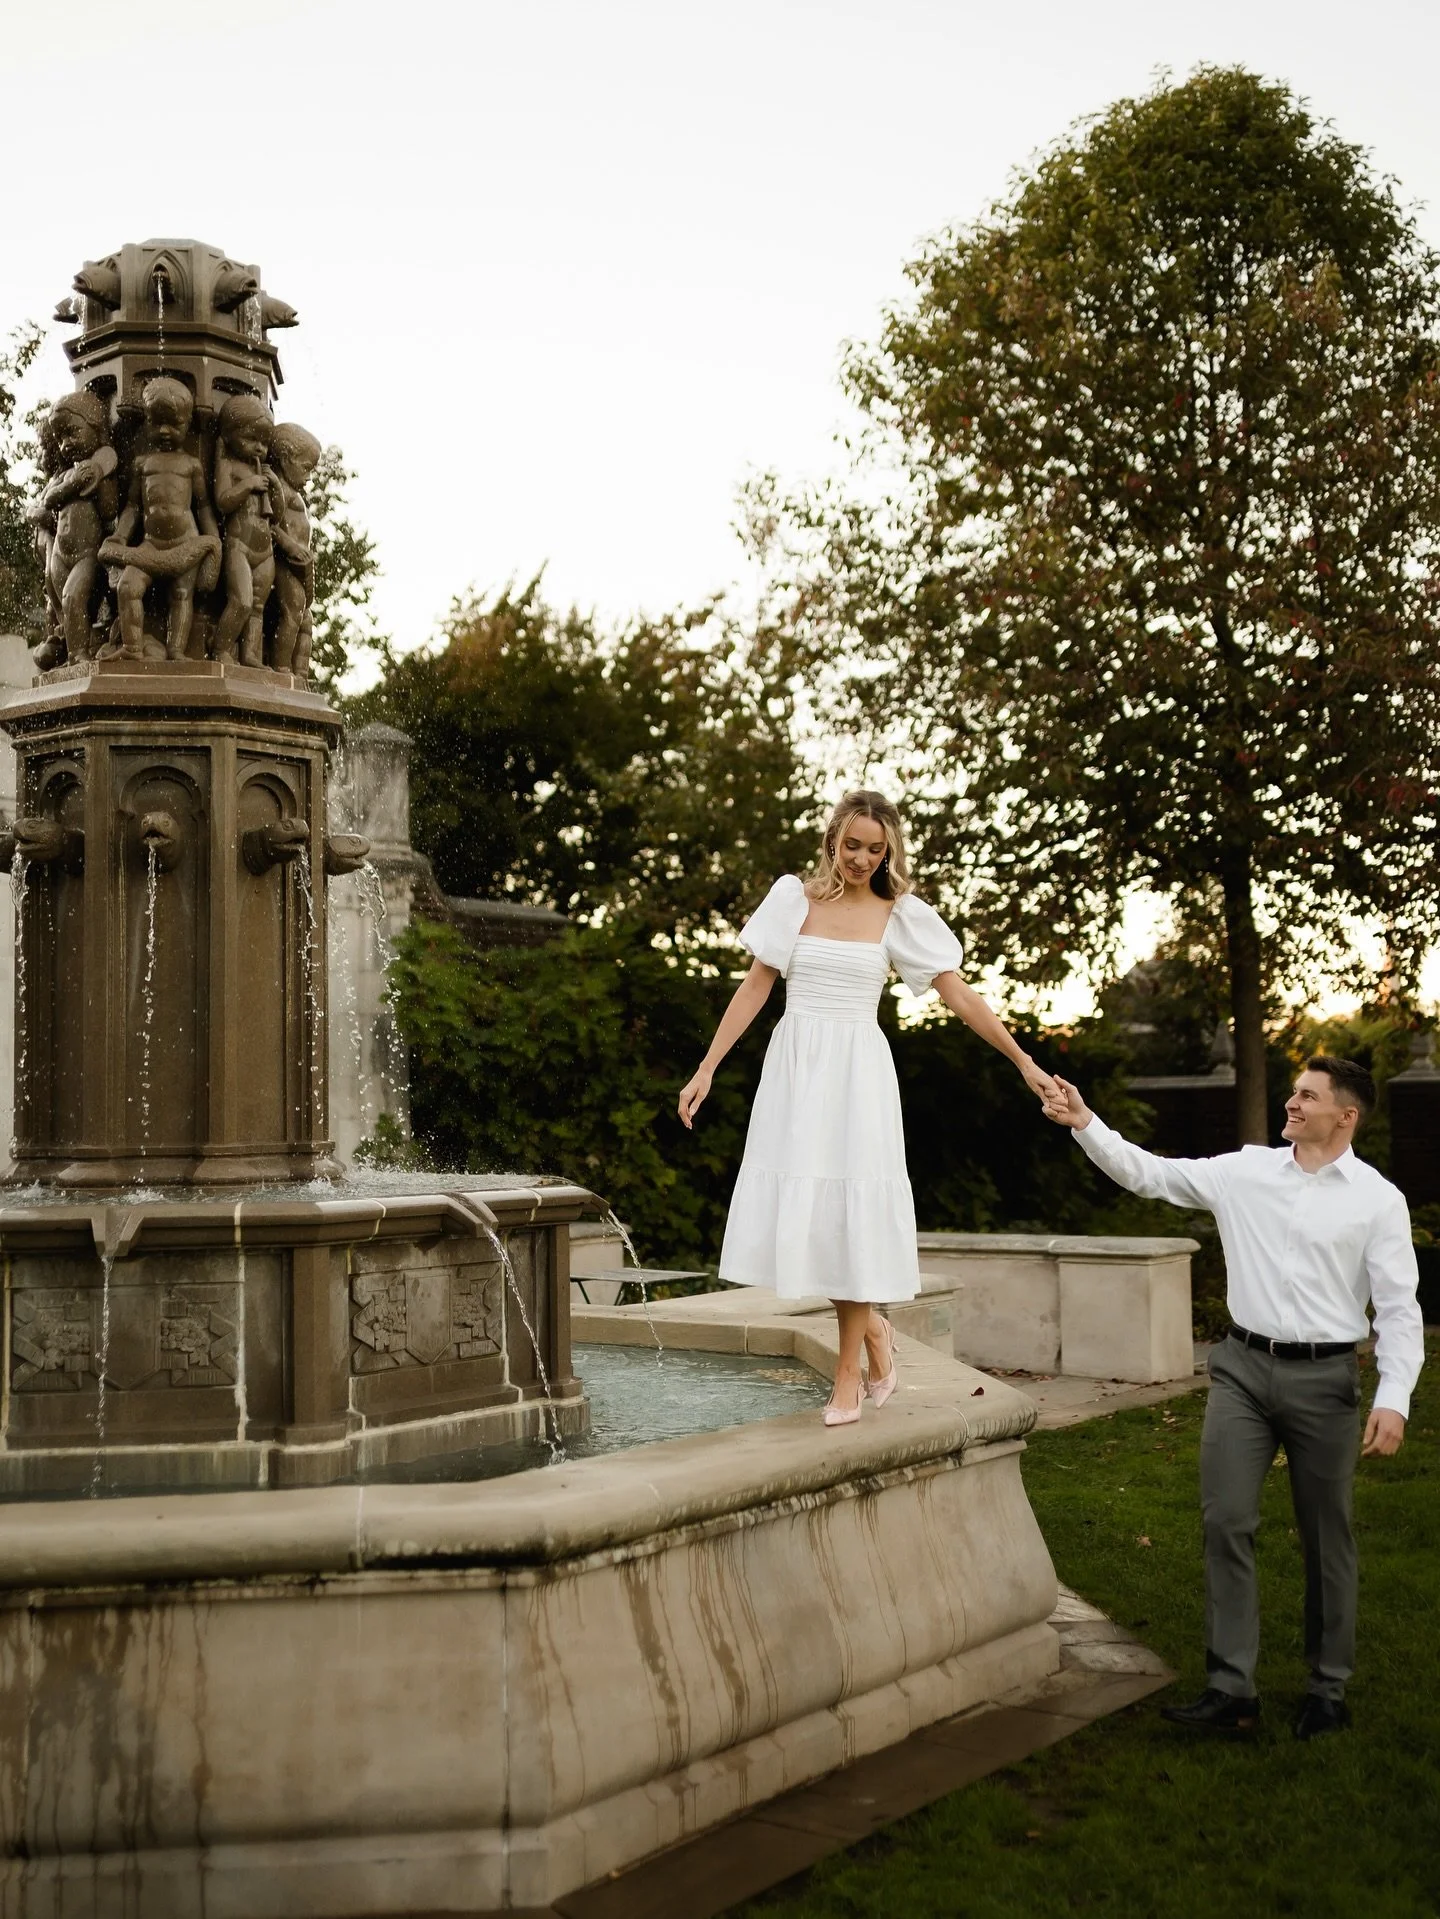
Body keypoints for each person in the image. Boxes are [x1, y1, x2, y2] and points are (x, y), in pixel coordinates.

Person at [1042, 1057, 1423, 1741]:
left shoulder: (1377, 1199)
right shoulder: (1245, 1171)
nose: (1293, 1101)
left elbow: (1398, 1308)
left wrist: (1393, 1396)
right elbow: (1150, 1173)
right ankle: (1231, 1689)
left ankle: (1327, 1688)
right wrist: (1086, 1122)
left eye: (1308, 1095)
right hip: (1242, 1370)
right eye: (1295, 1091)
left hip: (1326, 1381)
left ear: (1347, 1115)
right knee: (1226, 1521)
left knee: (1325, 1537)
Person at [678, 789, 1058, 1426]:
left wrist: (1023, 1062)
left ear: (889, 852)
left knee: (848, 1215)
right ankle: (876, 1334)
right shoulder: (793, 898)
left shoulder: (899, 913)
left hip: (859, 1075)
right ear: (833, 839)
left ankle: (849, 1372)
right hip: (797, 1069)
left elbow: (958, 996)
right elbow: (756, 985)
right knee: (819, 1217)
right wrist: (707, 1066)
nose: (860, 858)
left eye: (874, 849)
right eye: (851, 844)